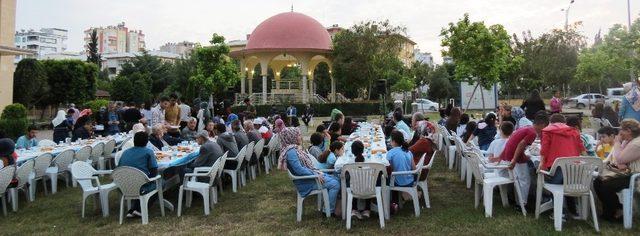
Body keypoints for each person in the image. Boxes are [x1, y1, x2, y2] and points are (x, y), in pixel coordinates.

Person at [277, 127, 340, 216]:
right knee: (335, 184)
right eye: (298, 135)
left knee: (336, 179)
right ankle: (328, 211)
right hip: (306, 182)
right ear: (291, 137)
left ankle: (330, 207)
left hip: (309, 178)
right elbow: (299, 170)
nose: (300, 137)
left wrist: (316, 173)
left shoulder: (293, 149)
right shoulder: (291, 152)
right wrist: (315, 174)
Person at [499, 111, 549, 207]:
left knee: (521, 176)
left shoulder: (527, 128)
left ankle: (520, 199)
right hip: (515, 155)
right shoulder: (533, 132)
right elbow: (521, 144)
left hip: (511, 153)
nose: (544, 130)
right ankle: (522, 203)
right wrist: (514, 160)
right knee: (525, 180)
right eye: (545, 127)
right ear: (542, 125)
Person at [594, 119, 640, 222]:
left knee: (606, 186)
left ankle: (614, 212)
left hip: (635, 176)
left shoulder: (637, 143)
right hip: (626, 173)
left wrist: (617, 142)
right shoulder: (629, 141)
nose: (619, 133)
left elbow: (619, 158)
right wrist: (621, 149)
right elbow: (618, 158)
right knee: (597, 182)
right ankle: (614, 209)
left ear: (628, 131)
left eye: (621, 130)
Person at [118, 132, 159, 218]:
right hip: (140, 185)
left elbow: (119, 168)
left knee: (141, 183)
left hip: (123, 185)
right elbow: (154, 171)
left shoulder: (125, 152)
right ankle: (140, 209)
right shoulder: (148, 152)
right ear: (147, 142)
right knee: (160, 183)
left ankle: (133, 209)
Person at [539, 114, 586, 182]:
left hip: (556, 169)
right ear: (564, 123)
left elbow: (544, 149)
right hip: (574, 171)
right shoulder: (574, 132)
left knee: (538, 173)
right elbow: (582, 150)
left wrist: (542, 163)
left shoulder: (547, 131)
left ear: (550, 123)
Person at [386, 130, 415, 213]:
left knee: (386, 179)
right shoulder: (408, 151)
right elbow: (414, 168)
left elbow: (388, 169)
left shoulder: (390, 153)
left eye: (391, 140)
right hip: (410, 180)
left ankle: (393, 203)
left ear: (394, 142)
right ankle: (398, 201)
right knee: (393, 177)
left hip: (399, 181)